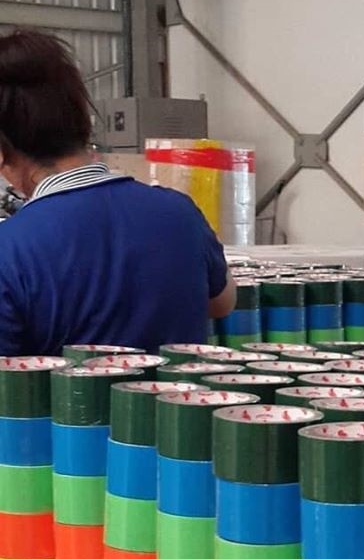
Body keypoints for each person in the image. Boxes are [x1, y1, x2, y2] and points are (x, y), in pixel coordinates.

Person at [0, 30, 236, 356]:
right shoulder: (179, 212)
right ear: (82, 125)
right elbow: (223, 303)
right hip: (178, 390)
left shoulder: (10, 249)